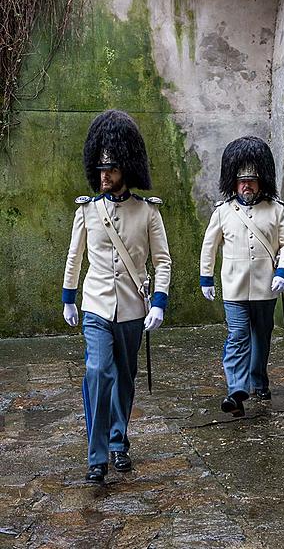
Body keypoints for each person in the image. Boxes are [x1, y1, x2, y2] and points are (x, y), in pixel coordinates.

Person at [62, 110, 171, 483]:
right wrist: (68, 297)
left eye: (111, 169)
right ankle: (96, 457)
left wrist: (159, 301)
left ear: (125, 168)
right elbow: (75, 255)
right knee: (97, 372)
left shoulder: (147, 212)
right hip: (94, 304)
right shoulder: (87, 211)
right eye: (100, 169)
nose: (104, 176)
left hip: (131, 309)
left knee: (124, 378)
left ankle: (118, 441)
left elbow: (163, 261)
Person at [200, 136, 284, 417]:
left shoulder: (277, 210)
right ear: (233, 182)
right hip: (235, 287)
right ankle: (236, 390)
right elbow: (210, 245)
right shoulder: (223, 212)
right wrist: (206, 277)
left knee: (262, 338)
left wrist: (283, 271)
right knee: (238, 335)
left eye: (252, 180)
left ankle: (259, 379)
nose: (246, 185)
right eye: (241, 180)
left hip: (267, 287)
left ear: (261, 181)